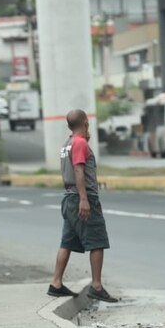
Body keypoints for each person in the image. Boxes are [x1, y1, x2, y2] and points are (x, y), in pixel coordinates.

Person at [48, 109, 119, 303]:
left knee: (67, 242)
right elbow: (79, 170)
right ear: (86, 122)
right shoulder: (80, 143)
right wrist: (84, 199)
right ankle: (96, 286)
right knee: (97, 241)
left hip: (69, 198)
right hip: (82, 199)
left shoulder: (68, 143)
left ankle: (56, 283)